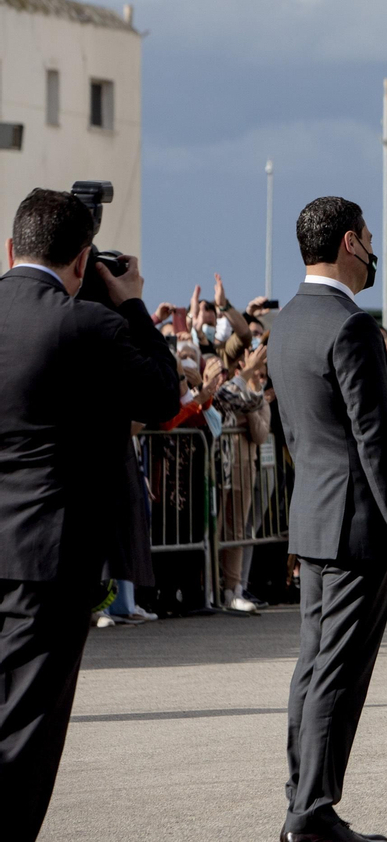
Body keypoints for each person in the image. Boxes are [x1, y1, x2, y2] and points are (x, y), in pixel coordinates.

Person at [0, 188, 180, 842]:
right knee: (24, 729)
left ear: (11, 249)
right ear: (84, 261)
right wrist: (130, 303)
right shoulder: (87, 325)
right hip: (48, 556)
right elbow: (162, 397)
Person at [272, 196, 387, 842]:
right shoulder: (350, 326)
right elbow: (376, 439)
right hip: (358, 524)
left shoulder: (287, 321)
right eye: (366, 237)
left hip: (316, 516)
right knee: (337, 673)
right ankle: (311, 812)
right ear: (348, 243)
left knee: (313, 667)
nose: (372, 250)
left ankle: (302, 799)